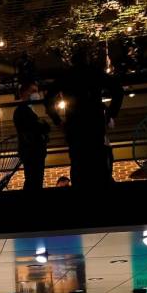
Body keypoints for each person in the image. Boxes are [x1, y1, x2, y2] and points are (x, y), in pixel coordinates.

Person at [44, 44, 123, 191]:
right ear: (87, 58)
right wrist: (110, 114)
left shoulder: (66, 76)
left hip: (75, 126)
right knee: (98, 165)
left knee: (79, 166)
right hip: (95, 124)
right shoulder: (94, 73)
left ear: (72, 60)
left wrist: (58, 121)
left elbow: (48, 99)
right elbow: (118, 90)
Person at [13, 81, 51, 190]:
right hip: (32, 151)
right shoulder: (22, 110)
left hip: (32, 151)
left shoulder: (26, 110)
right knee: (34, 181)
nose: (36, 94)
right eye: (33, 91)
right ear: (24, 93)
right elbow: (37, 128)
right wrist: (43, 126)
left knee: (34, 180)